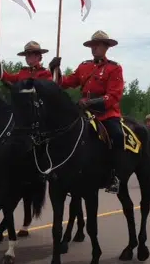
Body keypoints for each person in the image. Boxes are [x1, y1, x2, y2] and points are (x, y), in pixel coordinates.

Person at [49, 30, 124, 194]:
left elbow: (114, 96)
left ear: (106, 47)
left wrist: (90, 102)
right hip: (83, 112)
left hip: (106, 113)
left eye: (97, 45)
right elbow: (65, 83)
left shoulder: (114, 68)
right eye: (92, 45)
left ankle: (114, 176)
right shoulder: (84, 66)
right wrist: (55, 70)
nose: (94, 48)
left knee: (117, 135)